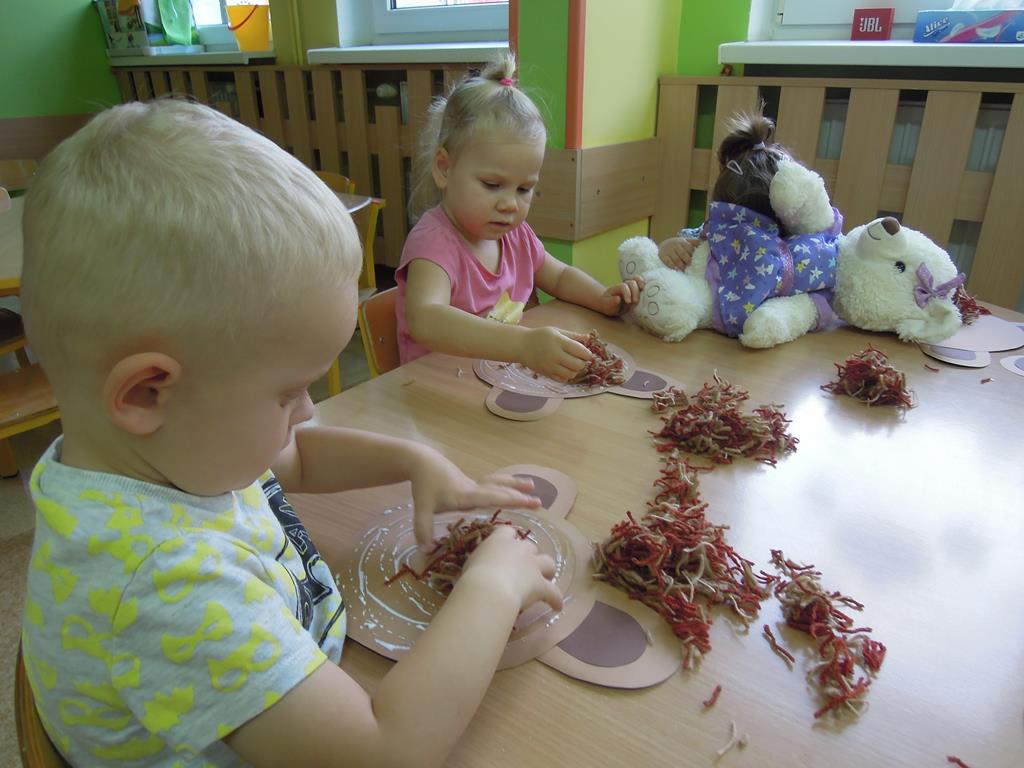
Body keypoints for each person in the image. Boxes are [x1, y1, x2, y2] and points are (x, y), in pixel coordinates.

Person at [19, 99, 562, 768]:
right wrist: (494, 586)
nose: (307, 412)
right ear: (146, 392)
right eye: (286, 393)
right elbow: (385, 752)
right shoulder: (164, 585)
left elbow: (293, 455)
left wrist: (415, 460)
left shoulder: (154, 452)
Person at [398, 52, 644, 382]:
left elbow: (559, 277)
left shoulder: (515, 235)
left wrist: (601, 298)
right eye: (492, 185)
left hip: (496, 380)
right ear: (444, 168)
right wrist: (523, 344)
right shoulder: (433, 243)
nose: (510, 204)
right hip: (434, 389)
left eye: (524, 189)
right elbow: (426, 319)